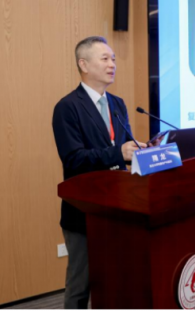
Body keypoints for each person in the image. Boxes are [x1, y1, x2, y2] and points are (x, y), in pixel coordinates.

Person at [52, 36, 146, 309]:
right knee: (80, 284)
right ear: (84, 64)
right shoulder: (68, 107)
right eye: (105, 59)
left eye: (113, 59)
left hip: (118, 207)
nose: (112, 64)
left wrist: (141, 150)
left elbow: (121, 148)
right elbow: (73, 159)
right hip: (83, 210)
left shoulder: (117, 103)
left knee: (115, 279)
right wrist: (119, 152)